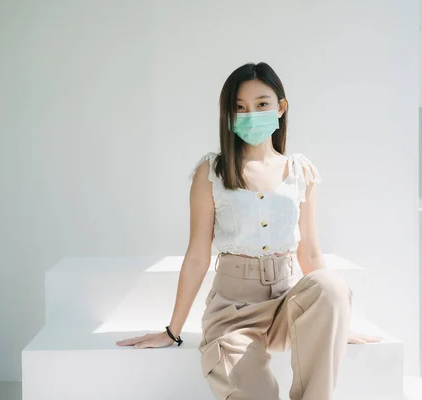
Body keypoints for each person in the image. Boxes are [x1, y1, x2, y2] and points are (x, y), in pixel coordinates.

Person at [116, 62, 381, 400]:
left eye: (261, 104)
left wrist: (336, 320)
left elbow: (311, 254)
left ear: (280, 108)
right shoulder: (211, 172)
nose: (250, 114)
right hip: (233, 312)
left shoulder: (300, 171)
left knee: (332, 286)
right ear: (228, 114)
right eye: (239, 107)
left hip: (287, 305)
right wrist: (173, 330)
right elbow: (198, 255)